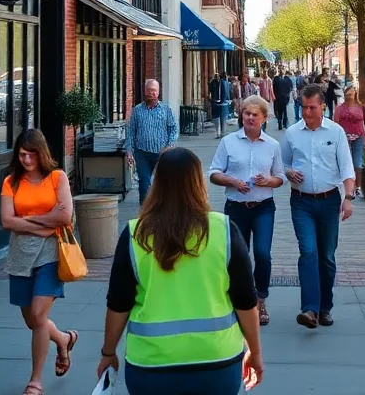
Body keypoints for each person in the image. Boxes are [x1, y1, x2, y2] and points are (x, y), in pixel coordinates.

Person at [98, 148, 264, 394]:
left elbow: (118, 304)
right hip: (216, 361)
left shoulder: (135, 234)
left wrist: (108, 352)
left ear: (157, 182)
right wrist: (255, 352)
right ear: (198, 182)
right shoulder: (224, 230)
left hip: (151, 363)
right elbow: (246, 300)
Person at [0, 128, 78, 395]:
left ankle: (35, 380)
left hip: (50, 254)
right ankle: (65, 339)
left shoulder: (57, 178)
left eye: (32, 154)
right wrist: (43, 222)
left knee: (38, 315)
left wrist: (28, 222)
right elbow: (7, 221)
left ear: (42, 153)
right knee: (33, 322)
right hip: (20, 257)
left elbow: (65, 216)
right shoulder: (11, 181)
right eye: (22, 154)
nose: (27, 159)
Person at [280, 84, 356, 328]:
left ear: (323, 106)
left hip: (329, 201)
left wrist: (348, 197)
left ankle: (325, 308)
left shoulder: (335, 132)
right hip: (301, 202)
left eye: (312, 108)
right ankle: (309, 310)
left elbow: (346, 167)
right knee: (308, 252)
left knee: (327, 256)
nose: (307, 112)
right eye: (304, 107)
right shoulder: (292, 134)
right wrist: (288, 172)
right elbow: (279, 165)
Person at [209, 95, 285, 326]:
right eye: (246, 113)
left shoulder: (272, 145)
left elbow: (281, 177)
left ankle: (260, 299)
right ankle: (239, 301)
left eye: (255, 114)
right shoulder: (228, 142)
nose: (250, 118)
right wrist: (232, 181)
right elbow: (213, 173)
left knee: (262, 254)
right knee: (238, 257)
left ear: (264, 118)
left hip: (263, 208)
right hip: (236, 208)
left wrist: (269, 181)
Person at [125, 79, 179, 205]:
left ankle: (164, 209)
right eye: (149, 90)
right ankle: (144, 212)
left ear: (158, 92)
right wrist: (129, 151)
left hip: (162, 153)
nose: (151, 93)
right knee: (144, 182)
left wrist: (169, 146)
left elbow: (173, 128)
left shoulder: (166, 110)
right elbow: (131, 132)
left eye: (154, 91)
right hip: (142, 152)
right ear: (145, 91)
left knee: (163, 182)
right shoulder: (137, 110)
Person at [333, 83, 365, 197]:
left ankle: (358, 187)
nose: (348, 96)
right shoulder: (340, 107)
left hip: (359, 137)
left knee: (357, 162)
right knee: (346, 163)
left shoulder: (361, 107)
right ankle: (349, 188)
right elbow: (336, 124)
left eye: (351, 93)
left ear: (355, 94)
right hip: (344, 138)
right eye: (347, 94)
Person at [210, 72, 231, 139]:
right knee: (224, 119)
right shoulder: (227, 83)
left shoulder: (220, 83)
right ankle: (223, 132)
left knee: (217, 118)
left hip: (219, 103)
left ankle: (218, 133)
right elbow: (229, 92)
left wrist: (217, 100)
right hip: (226, 103)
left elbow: (219, 92)